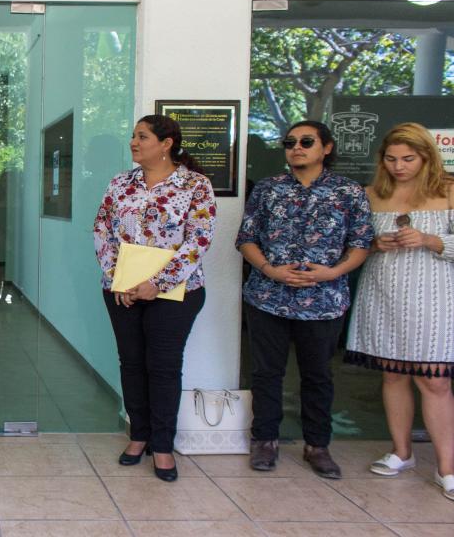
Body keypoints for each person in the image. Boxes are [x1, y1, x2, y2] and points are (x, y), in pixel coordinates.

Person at [236, 120, 373, 479]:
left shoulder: (348, 192)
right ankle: (265, 440)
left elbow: (360, 244)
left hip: (324, 299)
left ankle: (318, 445)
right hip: (268, 296)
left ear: (326, 148)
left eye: (306, 141)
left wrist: (331, 273)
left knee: (317, 375)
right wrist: (270, 269)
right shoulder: (268, 189)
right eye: (290, 141)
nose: (296, 147)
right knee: (266, 373)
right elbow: (246, 238)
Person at [93, 114, 216, 482]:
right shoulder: (120, 184)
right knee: (131, 363)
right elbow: (102, 228)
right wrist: (120, 278)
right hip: (123, 289)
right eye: (133, 136)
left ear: (166, 144)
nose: (134, 142)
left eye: (142, 137)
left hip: (177, 292)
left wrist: (157, 283)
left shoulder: (195, 184)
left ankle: (162, 445)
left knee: (162, 367)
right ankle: (139, 435)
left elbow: (199, 239)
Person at [344, 123, 454, 501]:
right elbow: (355, 246)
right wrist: (376, 243)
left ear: (426, 156)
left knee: (435, 380)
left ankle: (447, 468)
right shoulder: (372, 194)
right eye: (391, 159)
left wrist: (430, 239)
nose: (399, 166)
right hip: (384, 292)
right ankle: (401, 452)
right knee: (393, 376)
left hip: (436, 297)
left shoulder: (449, 190)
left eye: (408, 159)